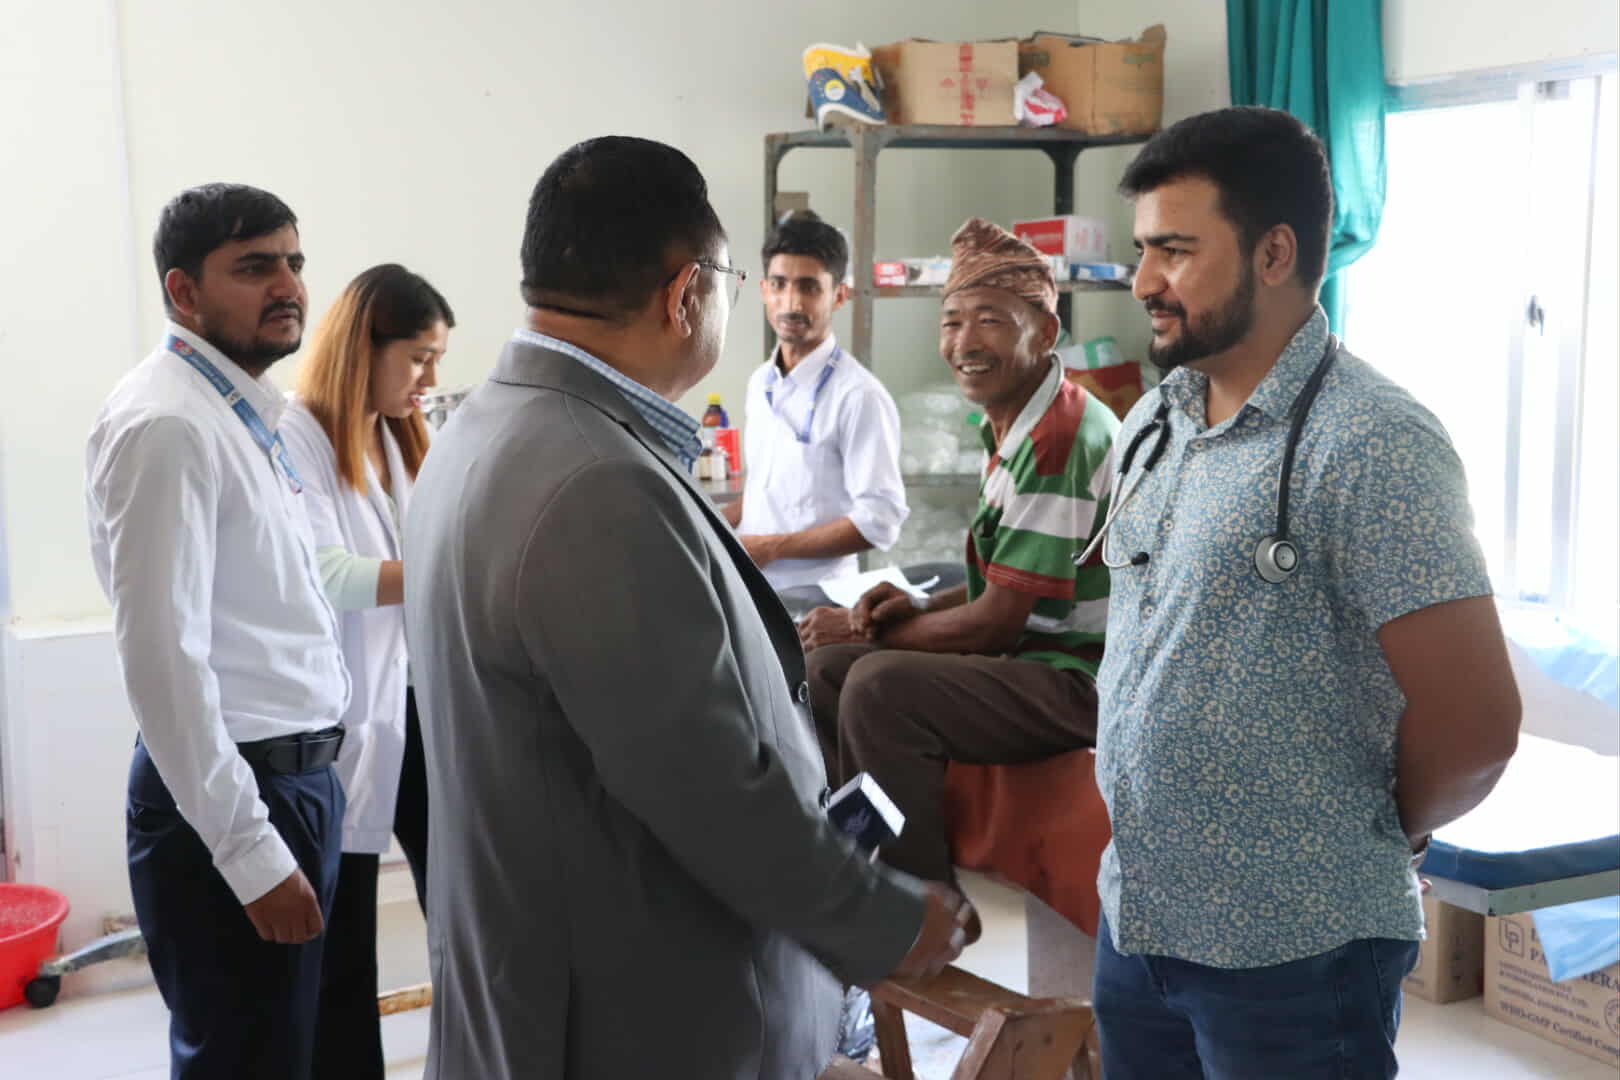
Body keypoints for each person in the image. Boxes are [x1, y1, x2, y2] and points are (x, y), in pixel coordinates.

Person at [402, 136, 970, 1080]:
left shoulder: (486, 430)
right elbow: (707, 784)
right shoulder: (595, 483)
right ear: (684, 294)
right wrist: (884, 922)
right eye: (744, 283)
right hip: (630, 1015)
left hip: (540, 977)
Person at [1090, 106, 1522, 1079]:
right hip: (1140, 920)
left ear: (1275, 253)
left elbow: (1477, 725)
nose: (1143, 280)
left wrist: (1364, 834)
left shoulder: (1371, 443)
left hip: (1297, 949)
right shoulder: (1155, 424)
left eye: (1174, 250)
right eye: (1142, 249)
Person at [85, 183, 349, 1079]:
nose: (289, 286)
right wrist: (247, 850)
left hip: (286, 782)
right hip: (234, 798)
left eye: (294, 263)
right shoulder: (168, 424)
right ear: (184, 290)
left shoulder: (238, 411)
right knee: (244, 1063)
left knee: (280, 1053)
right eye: (254, 267)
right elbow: (164, 661)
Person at [800, 217, 1119, 899]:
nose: (964, 343)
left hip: (1084, 677)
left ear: (1046, 333)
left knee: (877, 685)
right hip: (1039, 652)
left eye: (990, 321)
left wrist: (864, 628)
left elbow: (999, 621)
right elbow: (1002, 588)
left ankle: (923, 905)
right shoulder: (1015, 421)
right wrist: (914, 606)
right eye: (952, 322)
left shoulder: (1058, 439)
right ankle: (859, 861)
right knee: (825, 670)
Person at [279, 263, 453, 1079]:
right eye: (418, 358)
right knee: (343, 947)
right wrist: (453, 570)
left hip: (418, 706)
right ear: (363, 348)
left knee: (461, 911)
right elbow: (329, 575)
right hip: (343, 717)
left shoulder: (400, 438)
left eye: (435, 360)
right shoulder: (298, 436)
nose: (429, 379)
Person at [724, 210, 908, 588]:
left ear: (839, 295)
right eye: (779, 285)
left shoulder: (859, 396)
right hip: (754, 587)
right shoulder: (761, 383)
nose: (791, 303)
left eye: (809, 287)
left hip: (820, 598)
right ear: (764, 290)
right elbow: (765, 489)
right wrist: (711, 525)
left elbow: (880, 519)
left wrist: (771, 548)